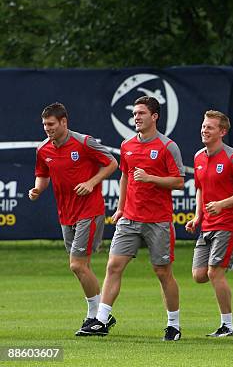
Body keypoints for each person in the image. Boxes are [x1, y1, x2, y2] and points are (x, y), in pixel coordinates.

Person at [79, 96, 185, 341]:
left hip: (158, 220)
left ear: (155, 116)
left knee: (162, 272)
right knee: (113, 266)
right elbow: (125, 177)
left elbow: (179, 181)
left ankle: (174, 325)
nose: (136, 117)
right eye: (135, 113)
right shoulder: (127, 145)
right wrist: (120, 208)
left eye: (141, 113)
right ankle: (101, 320)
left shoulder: (168, 146)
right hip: (130, 218)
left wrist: (151, 178)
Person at [30, 102, 118, 336]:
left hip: (89, 210)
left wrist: (91, 182)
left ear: (63, 122)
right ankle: (101, 317)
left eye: (51, 124)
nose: (47, 129)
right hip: (66, 213)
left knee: (77, 264)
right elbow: (42, 176)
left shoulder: (84, 142)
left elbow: (112, 163)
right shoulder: (43, 149)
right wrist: (37, 189)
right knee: (82, 267)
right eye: (44, 125)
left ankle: (95, 317)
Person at [185, 110, 233, 337]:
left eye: (210, 127)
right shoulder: (198, 157)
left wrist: (223, 204)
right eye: (204, 126)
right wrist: (198, 216)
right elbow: (200, 189)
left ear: (222, 132)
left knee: (215, 272)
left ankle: (227, 325)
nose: (204, 130)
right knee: (199, 275)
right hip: (208, 224)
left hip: (230, 223)